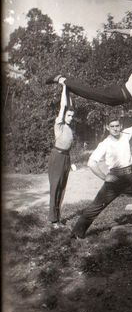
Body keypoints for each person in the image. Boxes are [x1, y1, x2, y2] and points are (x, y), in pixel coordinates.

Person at [71, 114, 132, 239]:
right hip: (114, 180)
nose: (115, 128)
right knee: (96, 206)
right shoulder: (105, 144)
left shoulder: (126, 134)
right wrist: (104, 177)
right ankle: (77, 232)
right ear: (107, 128)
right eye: (112, 126)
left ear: (121, 126)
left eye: (117, 126)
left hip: (129, 178)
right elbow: (91, 163)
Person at [46, 54, 132, 118]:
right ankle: (61, 79)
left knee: (89, 93)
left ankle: (67, 83)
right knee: (90, 92)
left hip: (118, 98)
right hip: (117, 94)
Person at [48, 82, 74, 228]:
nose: (70, 117)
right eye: (68, 115)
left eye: (72, 115)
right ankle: (53, 220)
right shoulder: (59, 124)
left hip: (66, 157)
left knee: (62, 188)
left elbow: (69, 105)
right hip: (57, 157)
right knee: (55, 187)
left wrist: (69, 88)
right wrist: (64, 86)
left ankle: (57, 218)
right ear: (63, 115)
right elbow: (64, 105)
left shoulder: (70, 127)